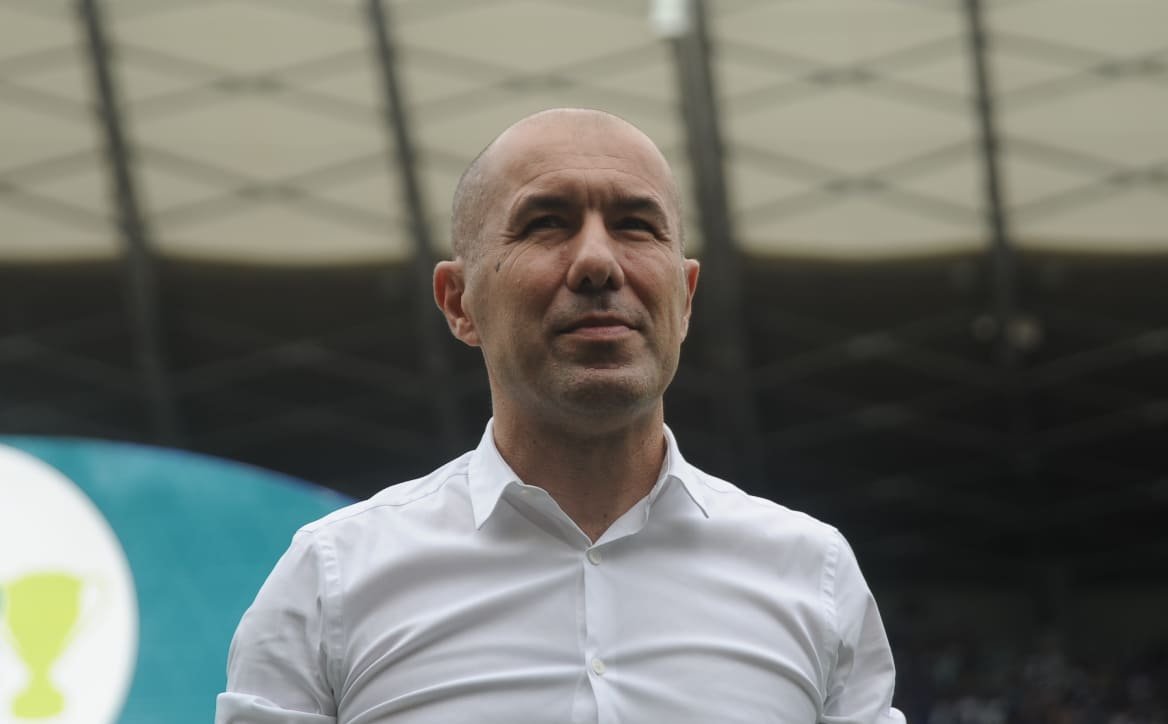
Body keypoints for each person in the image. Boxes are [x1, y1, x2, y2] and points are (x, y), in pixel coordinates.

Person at [216, 108, 904, 724]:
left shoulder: (813, 574)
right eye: (546, 223)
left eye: (636, 225)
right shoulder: (331, 579)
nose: (599, 263)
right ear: (458, 302)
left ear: (686, 298)